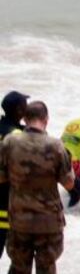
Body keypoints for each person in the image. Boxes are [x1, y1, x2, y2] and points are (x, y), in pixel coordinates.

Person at [0, 101, 74, 274]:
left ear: (25, 118)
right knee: (45, 273)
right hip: (48, 222)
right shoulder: (55, 146)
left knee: (19, 272)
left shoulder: (10, 142)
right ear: (46, 119)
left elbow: (1, 177)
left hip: (18, 219)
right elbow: (69, 183)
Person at [0, 90, 29, 260]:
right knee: (20, 257)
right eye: (25, 105)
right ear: (19, 110)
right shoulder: (18, 136)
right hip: (7, 201)